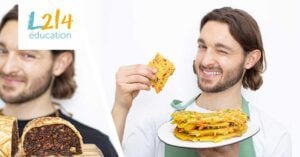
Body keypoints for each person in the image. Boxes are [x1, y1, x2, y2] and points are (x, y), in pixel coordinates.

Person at [112, 7, 291, 157]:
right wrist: (120, 106)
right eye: (202, 47)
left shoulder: (273, 136)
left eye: (222, 51)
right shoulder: (159, 127)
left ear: (250, 59)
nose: (205, 61)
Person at [0, 5, 118, 157]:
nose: (7, 68)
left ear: (60, 64)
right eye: (2, 51)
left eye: (28, 55)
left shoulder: (91, 145)